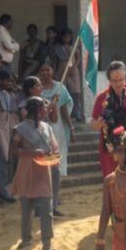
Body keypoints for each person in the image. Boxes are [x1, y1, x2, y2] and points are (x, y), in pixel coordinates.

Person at [10, 97, 59, 250]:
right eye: (45, 107)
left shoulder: (46, 127)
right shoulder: (21, 129)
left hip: (44, 171)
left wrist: (53, 153)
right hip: (27, 170)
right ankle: (26, 239)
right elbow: (13, 150)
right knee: (26, 208)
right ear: (38, 110)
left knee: (47, 208)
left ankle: (47, 243)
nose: (47, 110)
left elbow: (54, 146)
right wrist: (31, 152)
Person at [91, 60, 126, 177]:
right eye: (114, 81)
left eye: (121, 80)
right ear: (109, 80)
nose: (118, 84)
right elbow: (93, 123)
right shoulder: (102, 97)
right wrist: (99, 124)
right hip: (110, 148)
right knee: (113, 182)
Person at [38, 61, 73, 216]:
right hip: (40, 130)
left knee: (56, 165)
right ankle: (43, 199)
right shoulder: (36, 89)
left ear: (52, 71)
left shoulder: (60, 88)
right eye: (43, 70)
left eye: (48, 69)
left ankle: (54, 197)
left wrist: (71, 128)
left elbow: (64, 109)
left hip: (57, 128)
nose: (46, 73)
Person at [0, 68, 20, 203]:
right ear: (0, 81)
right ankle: (3, 190)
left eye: (10, 81)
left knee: (4, 158)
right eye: (6, 81)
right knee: (2, 158)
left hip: (6, 127)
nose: (8, 83)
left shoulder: (9, 94)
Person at [55, 28, 84, 122]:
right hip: (62, 69)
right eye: (65, 36)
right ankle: (67, 114)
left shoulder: (74, 46)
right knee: (63, 92)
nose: (67, 38)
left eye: (69, 36)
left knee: (76, 92)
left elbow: (78, 58)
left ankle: (78, 114)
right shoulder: (58, 47)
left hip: (73, 71)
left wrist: (74, 67)